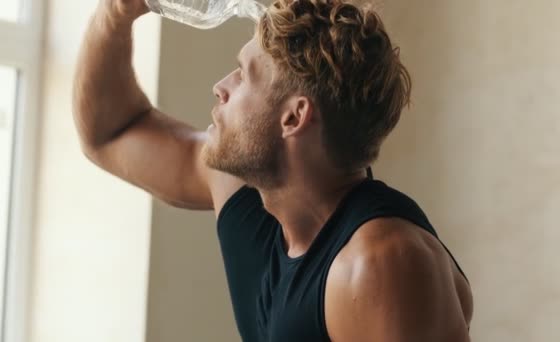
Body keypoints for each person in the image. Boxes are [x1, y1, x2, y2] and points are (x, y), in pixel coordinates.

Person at [73, 0, 473, 340]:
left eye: (244, 74)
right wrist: (118, 11)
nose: (221, 87)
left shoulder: (379, 265)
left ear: (294, 117)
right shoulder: (249, 194)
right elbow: (110, 134)